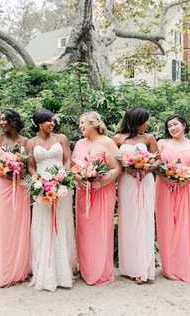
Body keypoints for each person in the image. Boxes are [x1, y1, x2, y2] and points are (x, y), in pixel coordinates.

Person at [26, 110, 77, 292]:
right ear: (39, 123)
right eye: (49, 121)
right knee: (43, 224)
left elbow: (68, 160)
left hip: (62, 186)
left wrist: (61, 177)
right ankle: (45, 269)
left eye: (53, 121)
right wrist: (39, 180)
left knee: (61, 222)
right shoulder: (30, 142)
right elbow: (30, 166)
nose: (52, 124)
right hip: (41, 187)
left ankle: (63, 268)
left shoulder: (61, 138)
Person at [73, 111, 122, 286]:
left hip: (102, 191)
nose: (80, 127)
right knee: (85, 230)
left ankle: (100, 271)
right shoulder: (79, 143)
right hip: (83, 191)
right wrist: (80, 179)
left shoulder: (108, 142)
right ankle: (86, 269)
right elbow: (74, 166)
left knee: (100, 230)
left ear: (93, 123)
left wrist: (101, 183)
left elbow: (116, 168)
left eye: (82, 123)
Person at [112, 106, 159, 284]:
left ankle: (142, 268)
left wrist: (146, 170)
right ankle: (129, 267)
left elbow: (158, 160)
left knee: (144, 221)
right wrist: (126, 168)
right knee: (128, 222)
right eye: (144, 120)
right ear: (136, 120)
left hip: (144, 182)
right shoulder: (117, 138)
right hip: (126, 183)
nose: (147, 123)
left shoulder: (149, 138)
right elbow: (113, 160)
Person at [0, 109, 30, 287]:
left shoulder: (25, 141)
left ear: (14, 121)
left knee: (20, 226)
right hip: (1, 185)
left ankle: (19, 271)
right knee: (3, 227)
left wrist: (22, 170)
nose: (1, 122)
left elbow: (28, 163)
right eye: (0, 120)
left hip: (20, 186)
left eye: (4, 119)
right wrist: (3, 174)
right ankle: (4, 272)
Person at [155, 115, 190, 282]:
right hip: (164, 186)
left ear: (184, 125)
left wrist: (186, 179)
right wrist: (166, 179)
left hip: (185, 187)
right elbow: (155, 164)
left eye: (175, 124)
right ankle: (169, 267)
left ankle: (185, 265)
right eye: (169, 126)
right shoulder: (161, 143)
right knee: (166, 225)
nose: (172, 128)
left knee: (185, 225)